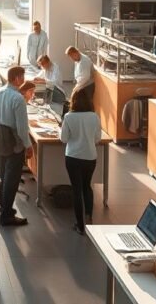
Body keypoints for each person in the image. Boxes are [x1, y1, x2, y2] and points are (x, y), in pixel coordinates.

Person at [0, 66, 33, 226]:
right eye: (22, 77)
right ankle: (7, 214)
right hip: (14, 142)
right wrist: (28, 145)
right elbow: (22, 128)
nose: (23, 80)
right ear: (16, 78)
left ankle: (3, 206)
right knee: (12, 178)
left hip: (0, 137)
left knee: (1, 175)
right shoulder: (18, 98)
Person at [60, 90, 102, 236]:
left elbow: (64, 139)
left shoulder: (69, 117)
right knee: (86, 187)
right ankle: (89, 218)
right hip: (90, 157)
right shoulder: (94, 117)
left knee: (76, 190)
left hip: (73, 157)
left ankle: (80, 226)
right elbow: (97, 138)